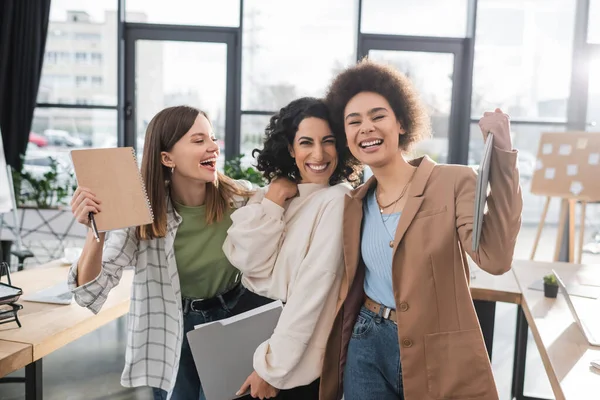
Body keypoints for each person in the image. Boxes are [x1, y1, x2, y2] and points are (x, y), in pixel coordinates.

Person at [319, 59, 523, 400]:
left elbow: (496, 258)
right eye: (353, 122)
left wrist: (502, 152)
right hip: (366, 342)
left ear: (401, 123)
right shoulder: (353, 203)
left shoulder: (452, 181)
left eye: (377, 116)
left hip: (437, 350)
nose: (365, 128)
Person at [68, 105, 269, 400]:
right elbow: (89, 292)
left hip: (232, 320)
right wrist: (95, 229)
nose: (213, 147)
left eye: (212, 138)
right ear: (166, 157)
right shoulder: (143, 215)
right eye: (199, 140)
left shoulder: (240, 199)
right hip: (172, 327)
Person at [222, 97, 360, 400]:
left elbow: (313, 291)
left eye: (329, 141)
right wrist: (272, 201)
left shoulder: (338, 199)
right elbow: (246, 260)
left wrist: (272, 369)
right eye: (306, 142)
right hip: (257, 336)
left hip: (289, 356)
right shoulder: (278, 193)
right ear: (290, 149)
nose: (319, 154)